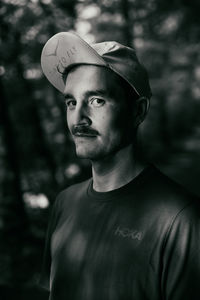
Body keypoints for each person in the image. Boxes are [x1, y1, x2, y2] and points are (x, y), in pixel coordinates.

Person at [39, 32, 200, 300]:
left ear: (138, 111)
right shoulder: (64, 203)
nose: (78, 118)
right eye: (71, 102)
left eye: (96, 100)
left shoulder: (182, 220)